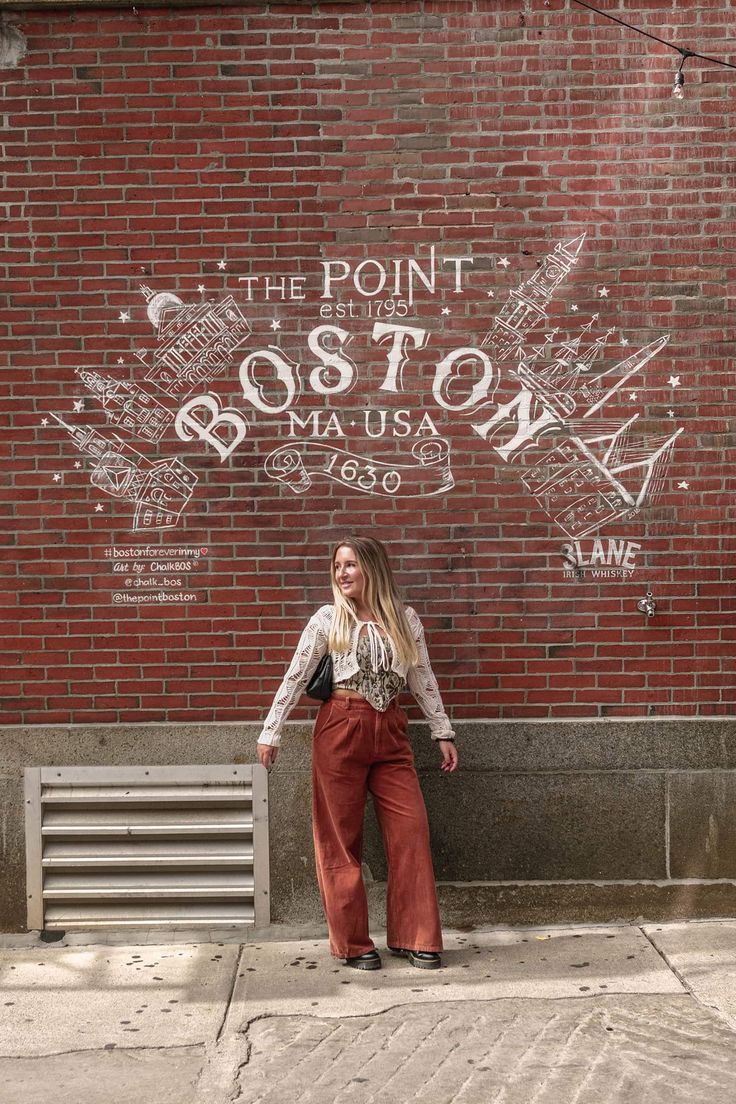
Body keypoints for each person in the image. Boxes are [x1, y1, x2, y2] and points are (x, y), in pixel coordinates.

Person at [257, 535, 458, 971]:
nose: (341, 573)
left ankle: (415, 936)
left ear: (372, 568)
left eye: (350, 565)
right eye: (337, 566)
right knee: (339, 839)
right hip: (340, 727)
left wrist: (442, 730)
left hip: (391, 731)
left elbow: (422, 677)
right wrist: (271, 731)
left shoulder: (405, 619)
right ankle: (351, 943)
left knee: (411, 831)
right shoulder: (328, 618)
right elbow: (295, 677)